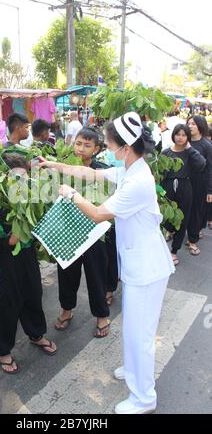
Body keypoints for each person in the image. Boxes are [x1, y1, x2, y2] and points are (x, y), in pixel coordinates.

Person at [40, 112, 175, 414]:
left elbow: (99, 213)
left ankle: (143, 398)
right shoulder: (129, 168)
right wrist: (54, 166)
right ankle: (133, 369)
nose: (108, 149)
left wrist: (71, 194)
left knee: (141, 333)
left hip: (147, 267)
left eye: (111, 144)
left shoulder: (138, 181)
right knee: (133, 328)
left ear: (125, 147)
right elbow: (91, 174)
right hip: (138, 261)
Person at [0, 153, 57, 375]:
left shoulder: (29, 198)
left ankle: (36, 334)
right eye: (16, 178)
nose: (21, 183)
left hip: (27, 259)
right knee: (6, 305)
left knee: (33, 294)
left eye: (24, 177)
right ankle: (3, 350)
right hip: (7, 264)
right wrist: (11, 239)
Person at [55, 128, 117, 338]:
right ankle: (66, 309)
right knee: (66, 273)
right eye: (78, 143)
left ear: (97, 149)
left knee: (96, 274)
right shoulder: (62, 168)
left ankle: (101, 315)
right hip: (68, 232)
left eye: (87, 145)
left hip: (95, 234)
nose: (81, 149)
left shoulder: (102, 171)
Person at [162, 124, 206, 265]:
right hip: (168, 186)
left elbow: (201, 164)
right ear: (173, 135)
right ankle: (169, 232)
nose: (180, 138)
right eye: (177, 134)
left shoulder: (190, 152)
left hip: (185, 186)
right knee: (166, 216)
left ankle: (174, 251)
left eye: (183, 135)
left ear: (187, 137)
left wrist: (189, 148)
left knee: (183, 218)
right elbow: (161, 172)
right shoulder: (166, 152)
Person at [186, 116, 212, 255]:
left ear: (200, 126)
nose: (190, 126)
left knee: (196, 212)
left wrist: (209, 191)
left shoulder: (206, 145)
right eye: (188, 123)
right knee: (185, 210)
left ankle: (192, 241)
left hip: (199, 184)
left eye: (193, 124)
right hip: (185, 182)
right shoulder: (185, 141)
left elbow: (210, 170)